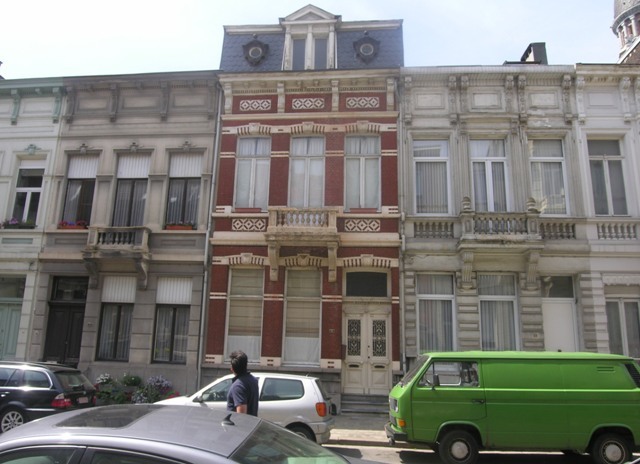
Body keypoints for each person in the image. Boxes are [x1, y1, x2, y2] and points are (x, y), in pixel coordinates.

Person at [226, 350, 259, 416]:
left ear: (232, 368)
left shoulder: (238, 386)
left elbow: (241, 415)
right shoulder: (253, 380)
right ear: (246, 365)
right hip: (252, 421)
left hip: (238, 422)